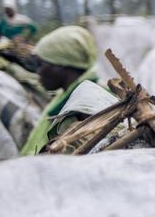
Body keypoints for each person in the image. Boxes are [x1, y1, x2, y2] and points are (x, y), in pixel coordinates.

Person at [20, 25, 100, 155]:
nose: (38, 72)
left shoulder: (86, 105)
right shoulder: (65, 95)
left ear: (62, 65)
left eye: (41, 64)